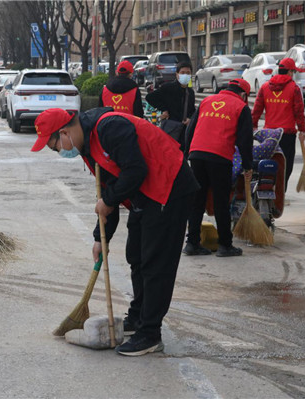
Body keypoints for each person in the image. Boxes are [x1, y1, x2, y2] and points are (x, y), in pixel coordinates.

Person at [31, 107, 199, 357]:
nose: (60, 152)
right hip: (146, 195)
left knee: (155, 263)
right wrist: (101, 238)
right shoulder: (87, 147)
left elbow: (134, 170)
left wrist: (109, 201)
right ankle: (138, 317)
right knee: (136, 256)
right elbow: (110, 188)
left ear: (64, 132)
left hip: (169, 188)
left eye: (55, 146)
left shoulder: (110, 128)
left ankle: (150, 334)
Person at [184, 78, 254, 257]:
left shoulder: (207, 101)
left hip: (197, 154)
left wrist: (187, 153)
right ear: (244, 94)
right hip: (219, 156)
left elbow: (190, 129)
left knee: (197, 201)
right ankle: (225, 245)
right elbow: (245, 141)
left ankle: (192, 243)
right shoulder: (241, 107)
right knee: (221, 201)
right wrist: (247, 166)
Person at [251, 58, 305, 190]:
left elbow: (257, 109)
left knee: (269, 162)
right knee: (285, 166)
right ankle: (281, 193)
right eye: (293, 72)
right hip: (286, 134)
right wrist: (302, 130)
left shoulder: (265, 87)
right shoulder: (294, 88)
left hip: (268, 135)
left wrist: (253, 126)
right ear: (289, 72)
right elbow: (299, 111)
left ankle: (268, 187)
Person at [145, 61, 195, 149]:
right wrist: (163, 109)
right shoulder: (168, 87)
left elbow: (192, 110)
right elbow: (150, 97)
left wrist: (190, 119)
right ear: (177, 74)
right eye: (182, 73)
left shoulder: (190, 92)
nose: (185, 75)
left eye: (188, 73)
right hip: (171, 128)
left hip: (184, 131)